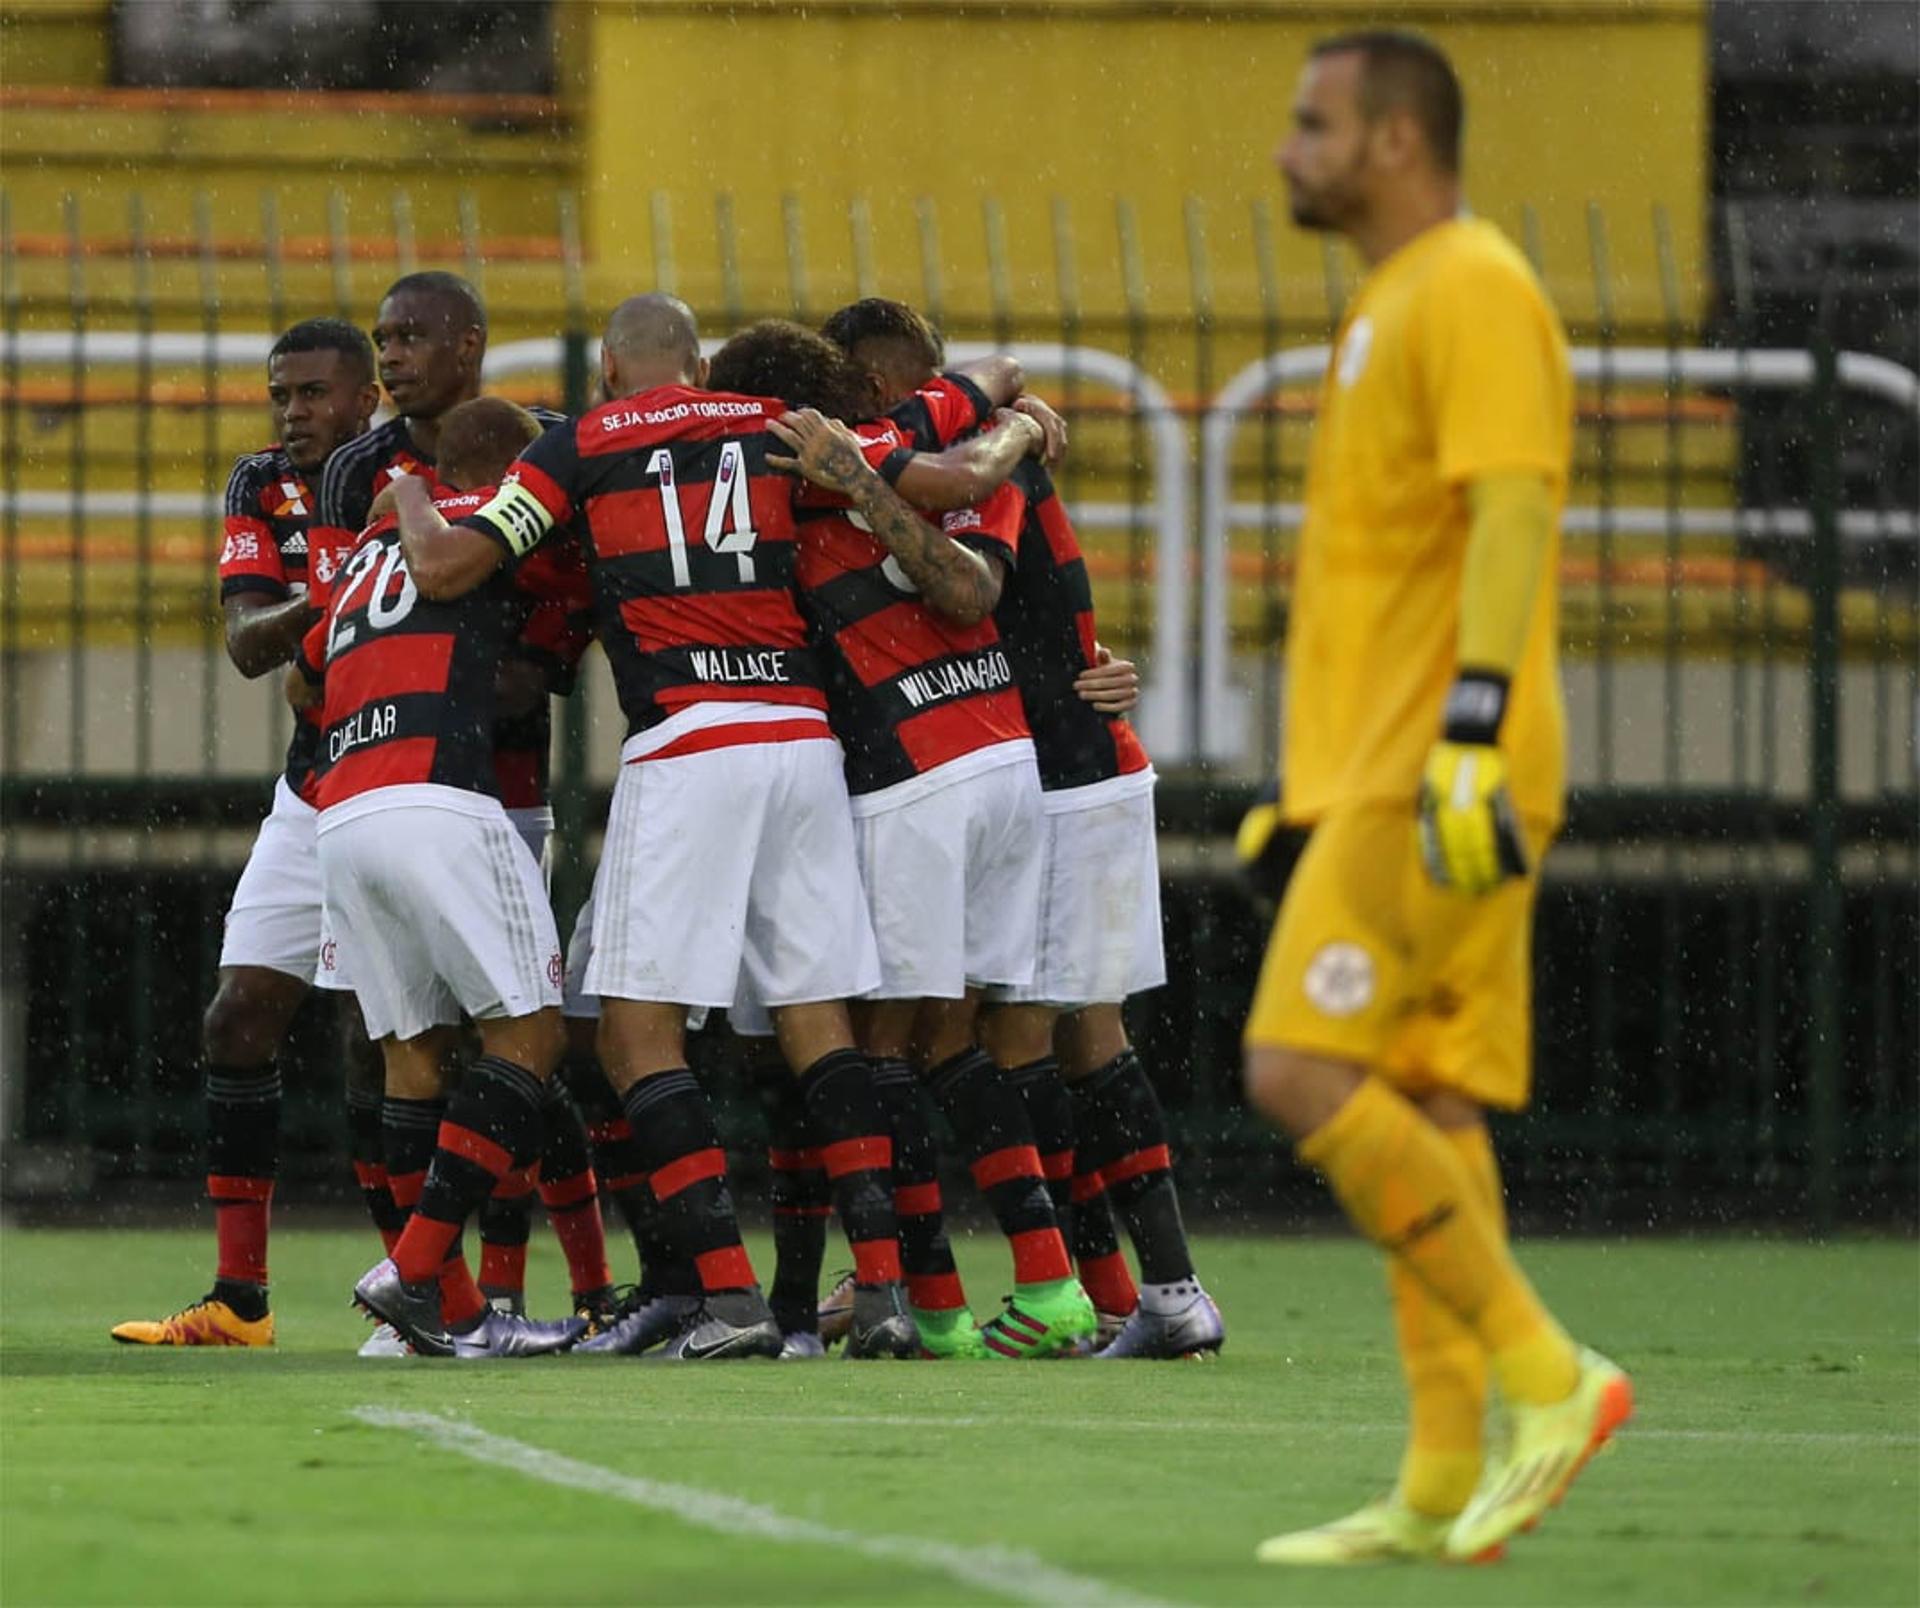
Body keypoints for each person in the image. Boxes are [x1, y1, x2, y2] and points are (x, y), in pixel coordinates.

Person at [389, 294, 955, 1362]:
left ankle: (728, 1297)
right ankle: (881, 1286)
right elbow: (920, 449)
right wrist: (998, 395)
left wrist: (413, 496)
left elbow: (448, 568)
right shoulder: (768, 423)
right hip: (799, 736)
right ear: (694, 368)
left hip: (689, 743)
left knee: (636, 1032)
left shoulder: (583, 444)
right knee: (816, 1019)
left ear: (607, 369)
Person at [1243, 30, 1630, 1564]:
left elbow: (1517, 501)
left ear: (1395, 140)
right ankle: (1436, 1479)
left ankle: (1553, 1375)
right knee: (1429, 1094)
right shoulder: (1387, 300)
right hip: (1376, 769)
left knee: (1295, 1069)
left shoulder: (1470, 284)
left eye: (1312, 123)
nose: (1286, 150)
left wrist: (1468, 727)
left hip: (1432, 771)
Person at [818, 298, 1229, 1361]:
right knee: (1003, 1040)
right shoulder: (939, 456)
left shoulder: (972, 460)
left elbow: (974, 594)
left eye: (878, 381)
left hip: (1069, 778)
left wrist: (999, 426)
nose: (869, 402)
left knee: (1057, 1040)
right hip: (1030, 769)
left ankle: (1145, 1293)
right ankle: (1112, 1294)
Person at [707, 320, 1098, 1361]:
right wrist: (1012, 420)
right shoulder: (931, 448)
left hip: (915, 781)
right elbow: (993, 382)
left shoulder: (819, 467)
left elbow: (968, 581)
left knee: (875, 1050)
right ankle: (1010, 1291)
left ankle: (932, 1296)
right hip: (1002, 754)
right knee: (945, 1041)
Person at [313, 270, 617, 1339]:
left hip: (340, 805)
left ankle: (434, 1316)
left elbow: (313, 664)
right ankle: (420, 1270)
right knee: (529, 1041)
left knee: (409, 1054)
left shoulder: (359, 559)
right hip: (440, 800)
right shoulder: (486, 523)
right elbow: (475, 590)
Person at [111, 318, 378, 1348]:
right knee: (237, 1019)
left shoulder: (409, 469)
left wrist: (321, 620)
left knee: (381, 1045)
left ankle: (429, 1287)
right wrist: (339, 602)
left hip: (408, 781)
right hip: (311, 788)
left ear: (367, 399)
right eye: (283, 394)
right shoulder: (259, 485)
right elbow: (247, 644)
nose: (294, 413)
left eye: (315, 393)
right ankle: (242, 1300)